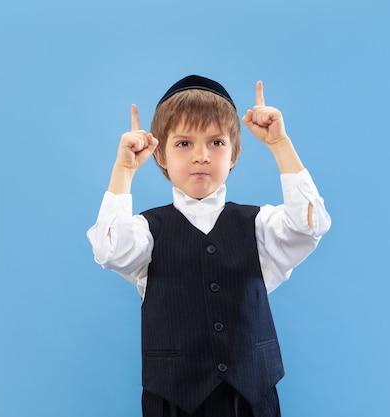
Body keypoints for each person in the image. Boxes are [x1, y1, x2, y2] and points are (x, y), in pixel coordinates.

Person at [87, 75, 331, 417]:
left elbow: (310, 225)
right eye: (184, 144)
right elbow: (109, 249)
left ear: (234, 154)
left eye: (216, 143)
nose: (201, 156)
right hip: (173, 400)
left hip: (251, 398)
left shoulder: (260, 225)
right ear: (160, 155)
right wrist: (124, 170)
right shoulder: (146, 231)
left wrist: (280, 144)